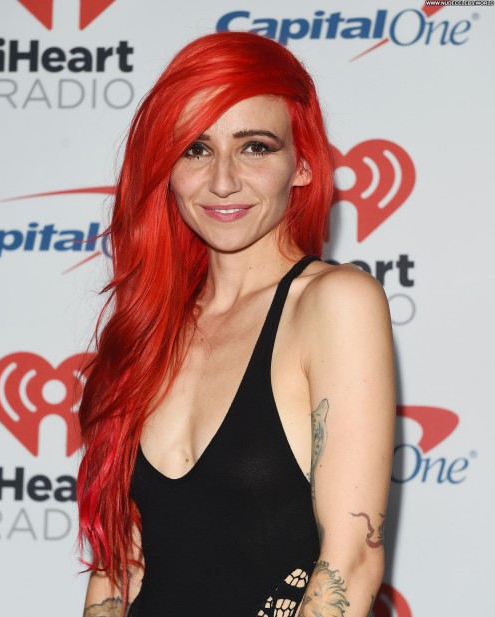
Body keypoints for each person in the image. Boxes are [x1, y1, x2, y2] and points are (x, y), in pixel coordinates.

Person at [78, 31, 395, 617]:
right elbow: (118, 565)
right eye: (195, 149)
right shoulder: (150, 328)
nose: (223, 180)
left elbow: (350, 563)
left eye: (255, 147)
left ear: (302, 165)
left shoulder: (333, 303)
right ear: (166, 169)